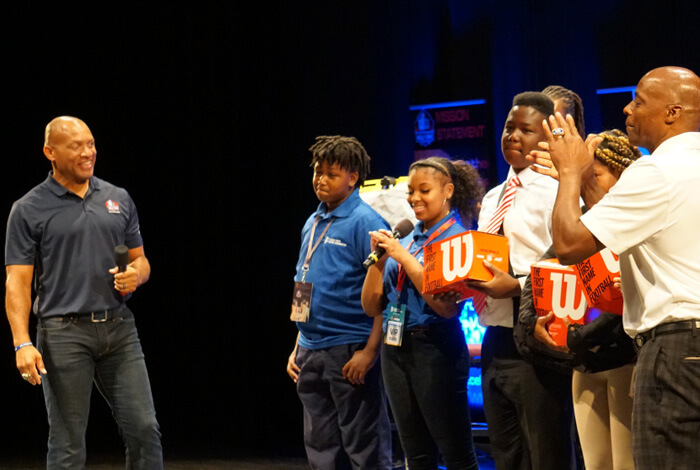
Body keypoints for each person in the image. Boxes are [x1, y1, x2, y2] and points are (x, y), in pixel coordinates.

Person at [543, 66, 700, 469]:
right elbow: (622, 222)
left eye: (639, 101)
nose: (627, 109)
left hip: (677, 349)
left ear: (672, 112)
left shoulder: (655, 170)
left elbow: (569, 245)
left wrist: (569, 174)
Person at [5, 116, 163, 469]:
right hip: (63, 334)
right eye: (76, 146)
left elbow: (142, 261)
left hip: (119, 329)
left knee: (144, 429)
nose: (88, 152)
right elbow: (17, 281)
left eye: (90, 144)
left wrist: (136, 275)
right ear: (50, 152)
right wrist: (21, 341)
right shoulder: (28, 209)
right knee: (67, 444)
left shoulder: (117, 198)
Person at [466, 92, 576, 470]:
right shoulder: (494, 196)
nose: (513, 135)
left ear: (546, 138)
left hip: (536, 333)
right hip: (493, 335)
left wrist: (514, 286)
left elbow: (569, 263)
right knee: (506, 450)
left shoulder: (557, 191)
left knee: (546, 450)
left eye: (525, 130)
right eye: (509, 127)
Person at [527, 129, 641, 470]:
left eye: (595, 175)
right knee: (596, 464)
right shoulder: (578, 223)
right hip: (585, 360)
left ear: (621, 176)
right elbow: (549, 263)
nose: (586, 182)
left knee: (627, 464)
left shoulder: (638, 216)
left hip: (626, 357)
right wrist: (534, 321)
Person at [361, 156, 482, 470]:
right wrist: (379, 263)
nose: (414, 198)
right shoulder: (407, 236)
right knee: (415, 454)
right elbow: (372, 305)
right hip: (395, 348)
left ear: (447, 191)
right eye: (411, 191)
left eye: (424, 190)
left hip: (436, 347)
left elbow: (444, 307)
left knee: (455, 453)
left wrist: (402, 257)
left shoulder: (456, 238)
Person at [286, 135, 392, 470]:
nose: (321, 179)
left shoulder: (367, 221)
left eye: (331, 174)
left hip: (349, 347)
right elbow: (304, 281)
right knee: (321, 445)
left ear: (353, 177)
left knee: (364, 445)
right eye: (318, 172)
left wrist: (370, 351)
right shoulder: (313, 221)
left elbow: (384, 296)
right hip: (310, 348)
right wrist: (298, 343)